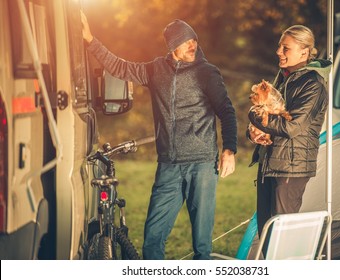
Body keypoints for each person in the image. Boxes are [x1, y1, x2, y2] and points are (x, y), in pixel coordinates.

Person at [80, 12, 237, 260]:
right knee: (152, 240)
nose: (192, 45)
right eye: (186, 41)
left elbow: (226, 111)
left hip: (202, 166)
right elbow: (120, 67)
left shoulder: (207, 72)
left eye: (193, 39)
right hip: (169, 167)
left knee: (202, 246)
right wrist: (90, 40)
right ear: (173, 46)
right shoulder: (155, 70)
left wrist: (229, 150)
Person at [247, 25, 331, 254]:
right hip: (271, 163)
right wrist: (254, 132)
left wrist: (255, 119)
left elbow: (292, 127)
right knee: (267, 233)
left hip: (290, 170)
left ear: (304, 52)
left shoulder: (313, 84)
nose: (278, 51)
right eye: (279, 46)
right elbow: (266, 114)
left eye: (286, 48)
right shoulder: (285, 78)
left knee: (282, 236)